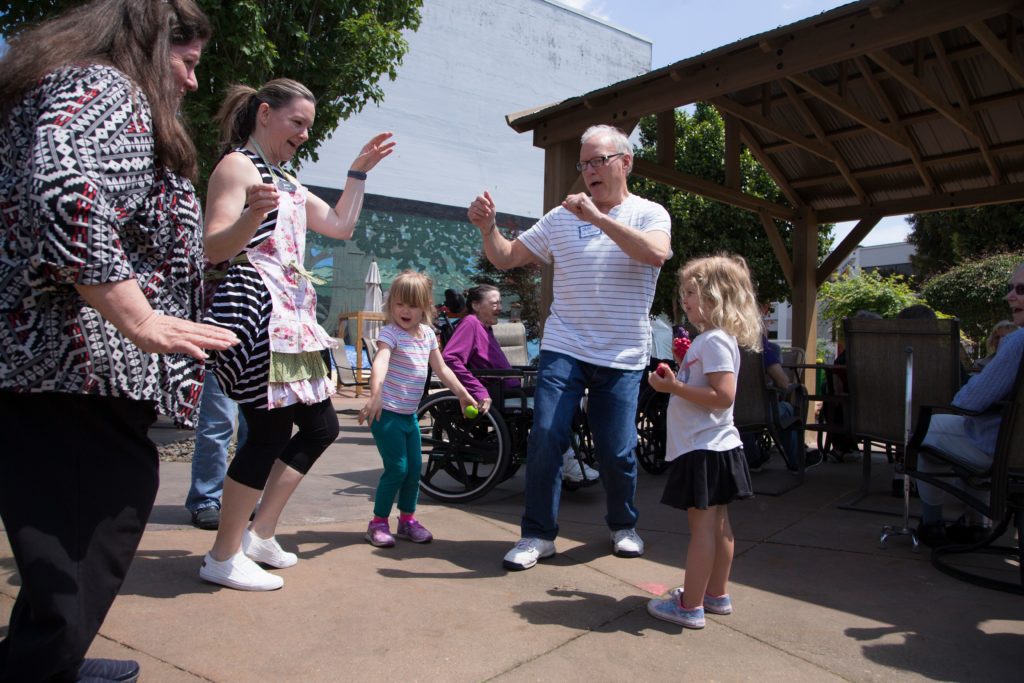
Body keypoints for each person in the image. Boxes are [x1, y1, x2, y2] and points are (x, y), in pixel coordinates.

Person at [0, 2, 237, 680]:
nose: (193, 82)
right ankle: (38, 666)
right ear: (151, 43)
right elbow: (62, 189)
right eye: (188, 63)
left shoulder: (60, 86)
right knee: (89, 536)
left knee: (63, 550)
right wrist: (138, 315)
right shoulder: (108, 88)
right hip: (69, 370)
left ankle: (46, 659)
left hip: (45, 370)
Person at [199, 78, 395, 590]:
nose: (305, 134)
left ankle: (258, 533)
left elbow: (340, 225)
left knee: (320, 428)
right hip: (259, 313)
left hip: (293, 320)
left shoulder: (285, 178)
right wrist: (253, 214)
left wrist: (357, 173)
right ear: (265, 114)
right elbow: (214, 248)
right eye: (297, 123)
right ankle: (223, 554)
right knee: (266, 433)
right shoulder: (237, 167)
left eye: (309, 126)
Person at [468, 124, 672, 570]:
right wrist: (488, 229)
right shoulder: (561, 218)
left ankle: (623, 525)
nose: (590, 171)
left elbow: (656, 254)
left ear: (626, 162)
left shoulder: (649, 213)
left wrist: (597, 219)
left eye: (599, 160)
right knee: (545, 436)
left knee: (617, 450)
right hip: (564, 345)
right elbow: (505, 257)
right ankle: (537, 535)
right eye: (584, 163)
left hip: (621, 354)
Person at [645, 254, 761, 629]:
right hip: (719, 448)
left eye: (692, 293)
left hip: (703, 449)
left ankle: (689, 605)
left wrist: (672, 387)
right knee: (720, 527)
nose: (686, 301)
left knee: (702, 532)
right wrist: (679, 377)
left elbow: (723, 395)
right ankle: (715, 594)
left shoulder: (712, 341)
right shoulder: (714, 340)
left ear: (716, 297)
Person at [359, 271, 478, 546]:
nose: (405, 310)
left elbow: (442, 368)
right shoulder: (390, 334)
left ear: (425, 307)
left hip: (409, 416)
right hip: (385, 414)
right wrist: (375, 394)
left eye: (413, 305)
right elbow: (381, 362)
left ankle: (407, 521)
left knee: (414, 470)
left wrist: (462, 393)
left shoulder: (427, 335)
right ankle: (377, 523)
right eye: (399, 304)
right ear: (391, 306)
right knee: (397, 469)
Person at [442, 284, 599, 483]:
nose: (500, 307)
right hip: (497, 392)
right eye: (494, 303)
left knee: (568, 397)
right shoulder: (470, 324)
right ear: (475, 304)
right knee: (559, 399)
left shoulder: (484, 327)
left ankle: (568, 453)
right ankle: (565, 457)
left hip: (508, 388)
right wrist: (478, 391)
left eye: (500, 302)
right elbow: (451, 360)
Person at [915, 263, 1024, 547]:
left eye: (1020, 290)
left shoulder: (1017, 343)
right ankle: (975, 523)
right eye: (1011, 288)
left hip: (1005, 449)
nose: (1010, 296)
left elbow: (968, 403)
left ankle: (932, 524)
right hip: (1007, 442)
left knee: (928, 429)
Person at [185, 372, 248, 529]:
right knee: (217, 424)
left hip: (260, 353)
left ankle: (245, 496)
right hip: (218, 354)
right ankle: (205, 500)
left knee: (255, 429)